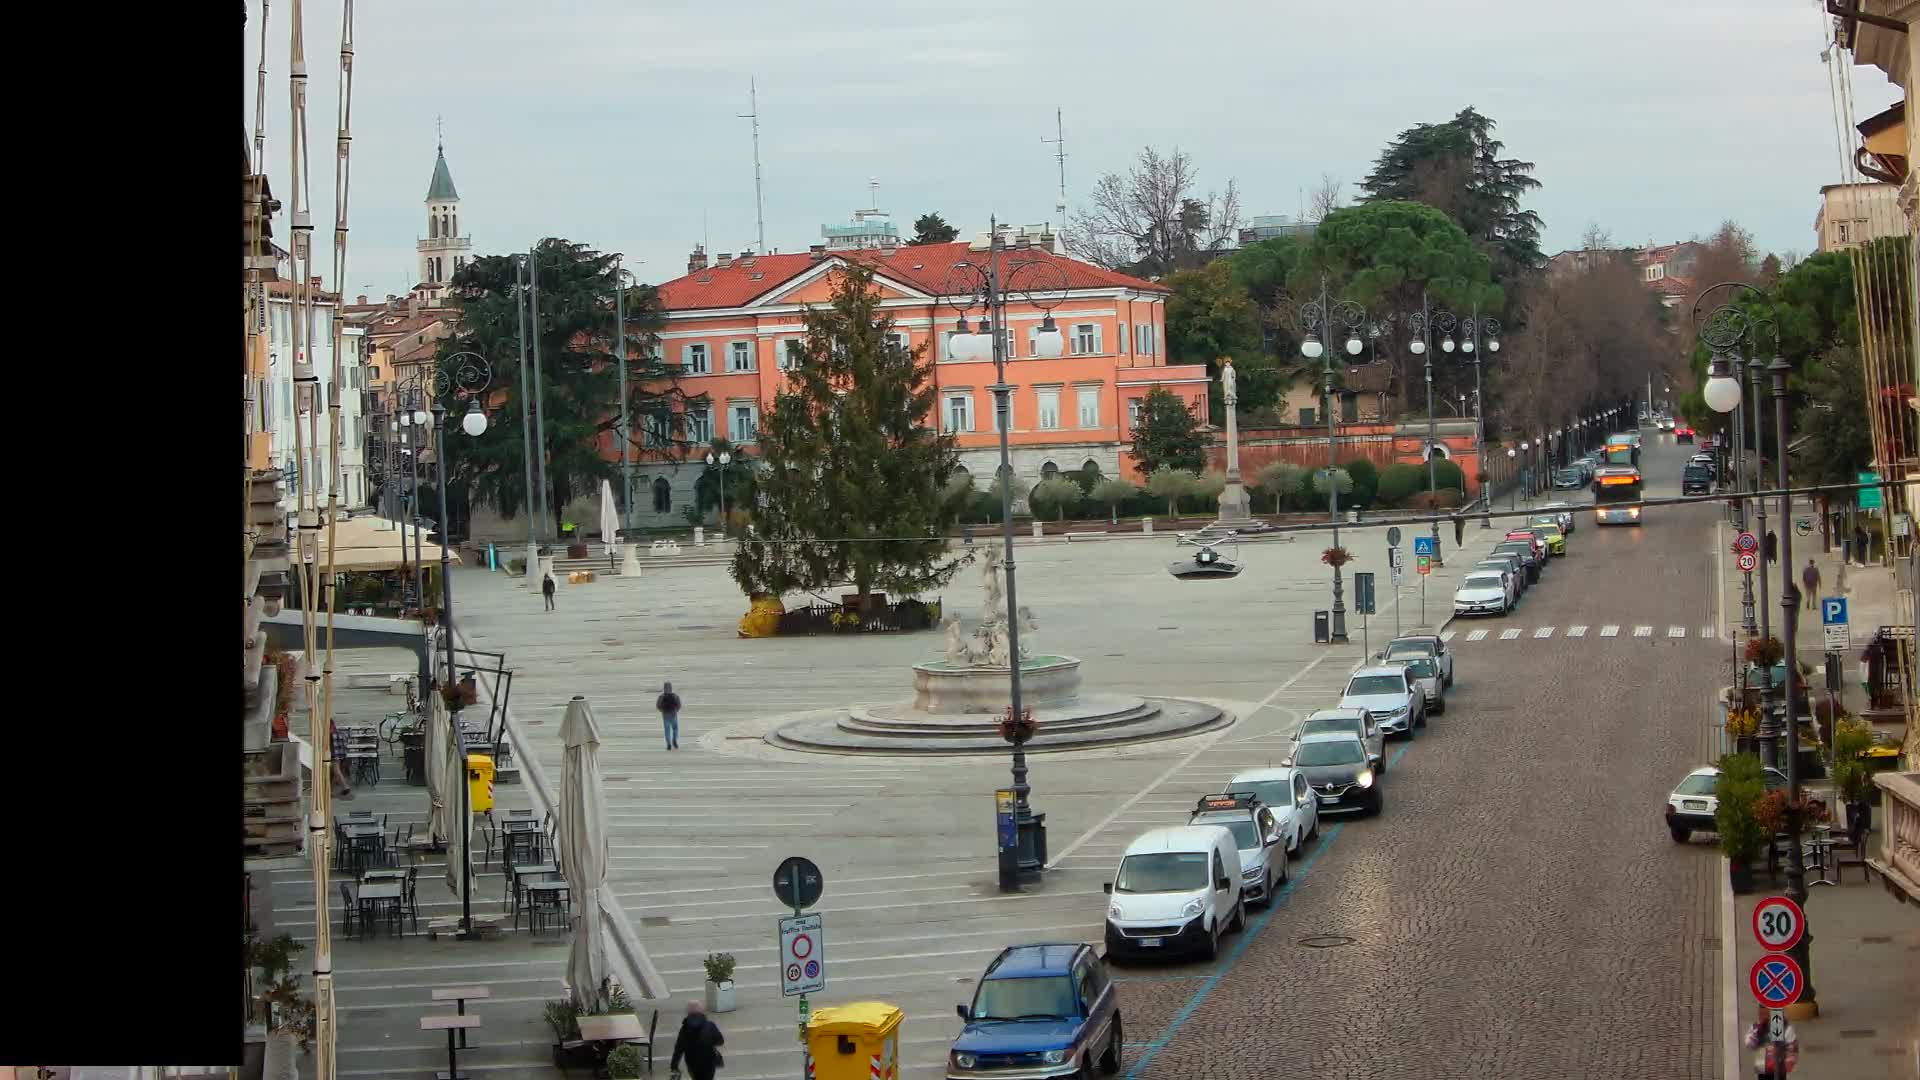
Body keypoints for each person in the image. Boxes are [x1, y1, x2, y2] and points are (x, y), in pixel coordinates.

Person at [668, 999, 724, 1080]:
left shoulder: (684, 1029)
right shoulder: (710, 1025)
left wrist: (674, 1066)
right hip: (708, 1061)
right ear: (702, 1011)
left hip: (692, 1062)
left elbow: (678, 1049)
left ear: (688, 1012)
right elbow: (720, 1041)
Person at [657, 681, 682, 750]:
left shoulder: (661, 696)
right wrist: (676, 710)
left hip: (665, 715)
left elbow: (658, 706)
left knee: (667, 730)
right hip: (673, 714)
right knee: (675, 728)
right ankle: (674, 740)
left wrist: (662, 711)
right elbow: (679, 705)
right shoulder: (675, 696)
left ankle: (668, 744)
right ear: (671, 688)